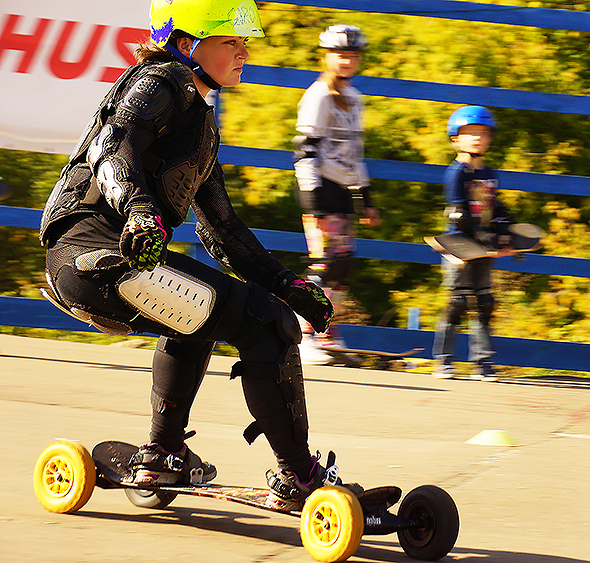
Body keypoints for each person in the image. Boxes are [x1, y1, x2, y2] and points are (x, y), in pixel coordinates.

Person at [38, 0, 350, 511]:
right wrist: (139, 209)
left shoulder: (201, 123)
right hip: (94, 256)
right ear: (186, 45)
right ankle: (301, 476)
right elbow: (112, 147)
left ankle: (161, 454)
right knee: (265, 325)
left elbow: (223, 230)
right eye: (229, 41)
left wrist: (287, 285)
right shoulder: (157, 82)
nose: (243, 51)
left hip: (117, 262)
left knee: (211, 314)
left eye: (242, 41)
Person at [293, 24, 379, 366]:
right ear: (327, 57)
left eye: (352, 55)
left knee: (343, 267)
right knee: (324, 264)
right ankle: (304, 335)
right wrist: (311, 196)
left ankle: (328, 333)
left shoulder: (354, 98)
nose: (346, 61)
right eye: (340, 55)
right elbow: (306, 150)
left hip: (344, 191)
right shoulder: (318, 96)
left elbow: (353, 154)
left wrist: (366, 197)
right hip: (321, 189)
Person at [431, 106, 513, 381]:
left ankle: (483, 363)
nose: (477, 138)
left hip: (484, 245)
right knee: (457, 302)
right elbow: (460, 213)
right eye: (469, 133)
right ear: (455, 139)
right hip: (460, 246)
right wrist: (484, 235)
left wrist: (503, 227)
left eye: (482, 133)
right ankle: (443, 361)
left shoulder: (490, 173)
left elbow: (495, 204)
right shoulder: (457, 173)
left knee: (484, 302)